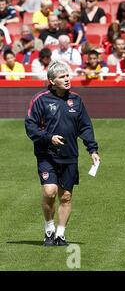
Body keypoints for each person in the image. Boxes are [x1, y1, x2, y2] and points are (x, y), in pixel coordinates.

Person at [24, 60, 100, 246]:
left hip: (69, 155)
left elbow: (85, 127)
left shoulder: (77, 100)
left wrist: (92, 150)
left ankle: (60, 234)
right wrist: (49, 138)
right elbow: (30, 126)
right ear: (51, 81)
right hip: (46, 155)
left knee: (65, 196)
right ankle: (48, 228)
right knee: (50, 192)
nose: (67, 79)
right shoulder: (40, 100)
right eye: (62, 77)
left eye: (67, 76)